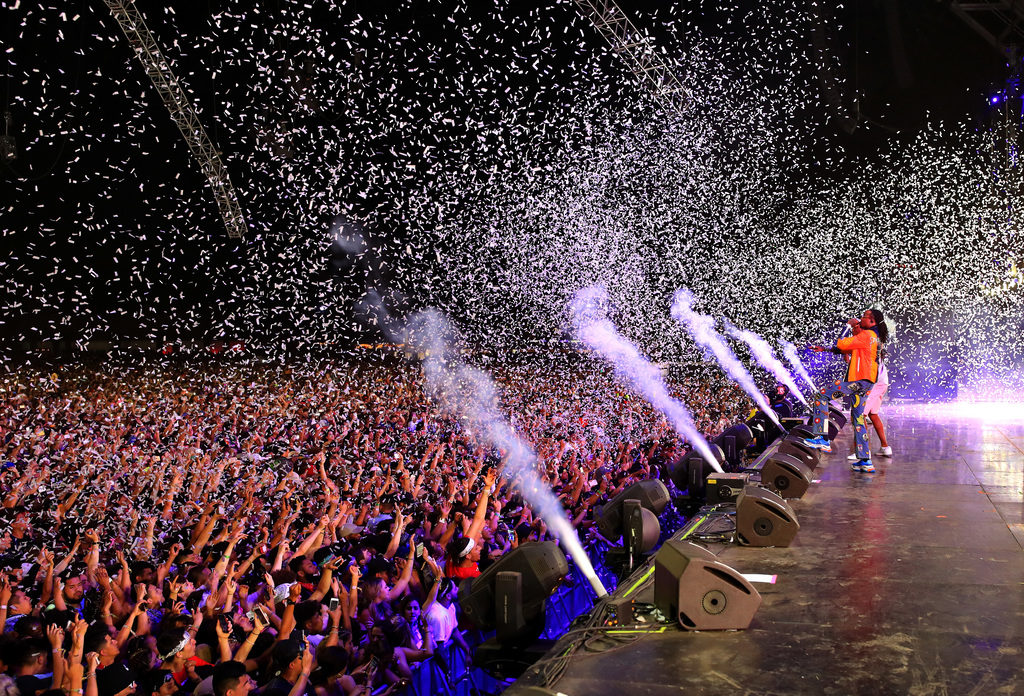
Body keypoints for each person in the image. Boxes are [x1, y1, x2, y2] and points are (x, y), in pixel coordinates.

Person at [804, 308, 889, 473]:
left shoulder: (866, 336)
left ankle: (822, 437)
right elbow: (844, 349)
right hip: (866, 383)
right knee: (858, 419)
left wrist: (847, 326)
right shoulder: (873, 338)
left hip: (858, 381)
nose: (859, 319)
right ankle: (865, 460)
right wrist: (824, 349)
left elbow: (841, 343)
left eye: (863, 317)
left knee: (821, 394)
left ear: (871, 322)